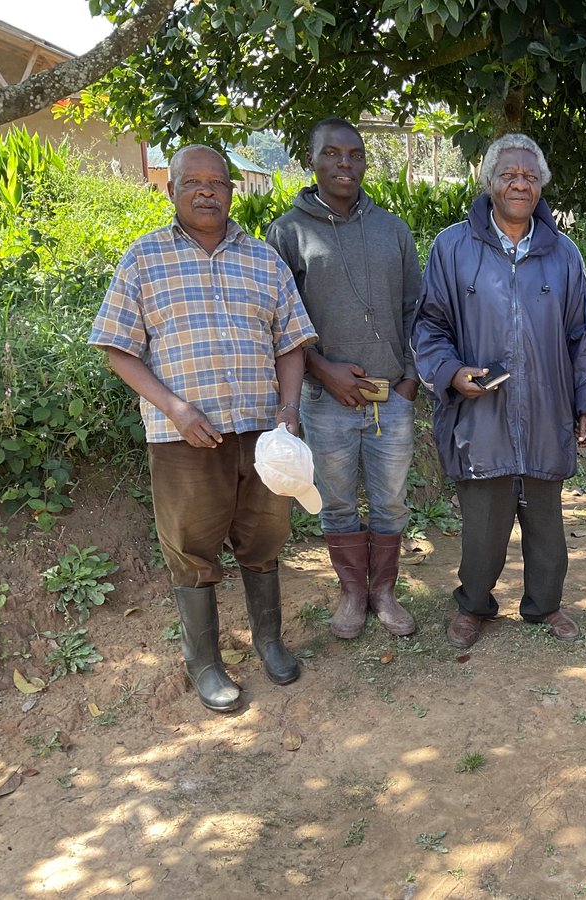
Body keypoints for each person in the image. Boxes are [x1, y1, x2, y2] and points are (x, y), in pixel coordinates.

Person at [89, 145, 317, 712]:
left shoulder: (263, 259)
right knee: (192, 551)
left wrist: (289, 410)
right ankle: (205, 664)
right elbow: (119, 349)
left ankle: (269, 641)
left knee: (264, 540)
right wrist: (175, 408)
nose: (208, 191)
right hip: (184, 438)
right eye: (193, 182)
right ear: (171, 190)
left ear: (232, 192)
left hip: (262, 436)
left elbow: (291, 344)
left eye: (218, 182)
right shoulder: (143, 260)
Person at [411, 133, 586, 650]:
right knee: (482, 526)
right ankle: (474, 605)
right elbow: (429, 326)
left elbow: (582, 335)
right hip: (481, 415)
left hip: (546, 410)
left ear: (541, 185)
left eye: (530, 176)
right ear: (489, 183)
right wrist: (451, 372)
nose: (520, 184)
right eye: (509, 175)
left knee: (547, 523)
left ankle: (545, 605)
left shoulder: (563, 254)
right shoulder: (453, 247)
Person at [267, 118, 421, 641]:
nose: (344, 164)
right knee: (336, 501)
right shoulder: (288, 232)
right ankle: (352, 593)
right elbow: (281, 321)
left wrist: (409, 380)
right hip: (325, 398)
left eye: (355, 154)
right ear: (310, 160)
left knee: (391, 501)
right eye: (331, 153)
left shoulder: (392, 230)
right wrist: (322, 370)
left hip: (391, 398)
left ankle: (384, 592)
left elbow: (416, 309)